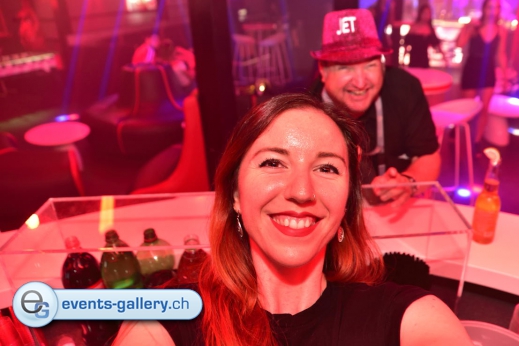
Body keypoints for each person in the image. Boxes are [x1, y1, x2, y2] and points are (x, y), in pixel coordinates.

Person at [113, 93, 472, 346]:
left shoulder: (407, 315)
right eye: (273, 162)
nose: (302, 191)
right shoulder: (166, 318)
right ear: (235, 194)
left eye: (327, 168)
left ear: (346, 206)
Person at [310, 8, 440, 206]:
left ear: (382, 64)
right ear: (323, 70)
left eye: (370, 65)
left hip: (392, 212)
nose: (360, 83)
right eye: (345, 67)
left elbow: (428, 156)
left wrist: (408, 182)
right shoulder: (302, 110)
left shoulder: (405, 88)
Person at [456, 0, 508, 145]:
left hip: (488, 69)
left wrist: (505, 76)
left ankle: (476, 142)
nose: (493, 11)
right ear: (484, 9)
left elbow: (500, 54)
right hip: (472, 67)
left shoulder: (501, 30)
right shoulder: (474, 27)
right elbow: (459, 44)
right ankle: (462, 140)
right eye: (489, 7)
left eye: (496, 8)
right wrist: (466, 27)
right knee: (467, 108)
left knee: (484, 109)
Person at [404, 4, 446, 68]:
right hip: (414, 58)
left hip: (424, 59)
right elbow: (407, 44)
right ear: (420, 13)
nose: (426, 15)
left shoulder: (430, 29)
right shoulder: (414, 27)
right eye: (425, 13)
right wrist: (403, 59)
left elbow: (437, 44)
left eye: (428, 13)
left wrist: (444, 57)